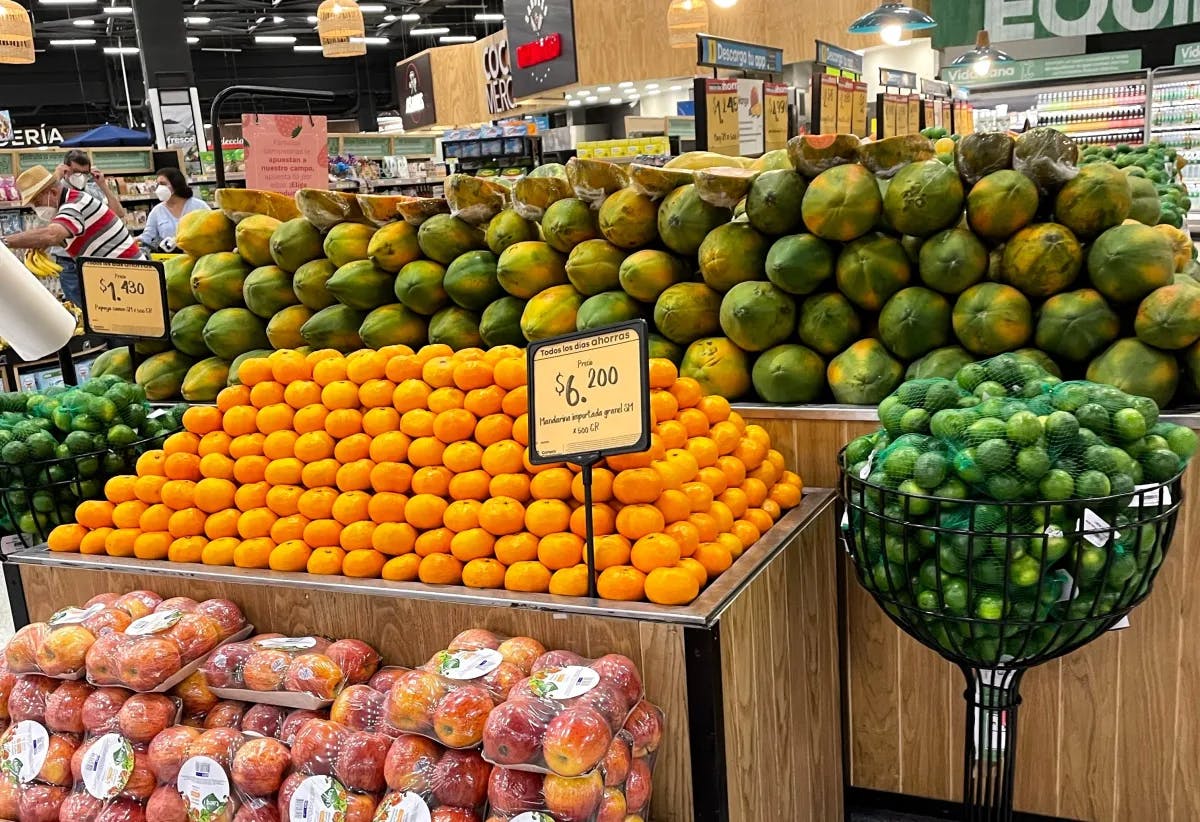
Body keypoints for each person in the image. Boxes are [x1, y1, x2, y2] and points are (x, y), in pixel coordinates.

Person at [2, 165, 144, 276]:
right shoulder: (70, 203)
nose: (36, 208)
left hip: (130, 273)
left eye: (36, 202)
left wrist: (5, 242)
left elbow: (52, 234)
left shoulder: (75, 204)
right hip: (117, 273)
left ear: (53, 193)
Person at [47, 150, 128, 305]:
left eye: (85, 173)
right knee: (80, 306)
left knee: (99, 304)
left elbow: (118, 213)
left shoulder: (90, 193)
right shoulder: (56, 192)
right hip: (68, 260)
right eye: (76, 172)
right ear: (66, 169)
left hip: (92, 258)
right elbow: (47, 210)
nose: (81, 177)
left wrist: (103, 185)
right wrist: (56, 177)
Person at [139, 167, 209, 252]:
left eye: (163, 184)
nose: (159, 188)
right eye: (158, 184)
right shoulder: (157, 211)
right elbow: (147, 237)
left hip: (198, 255)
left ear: (176, 184)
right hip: (169, 258)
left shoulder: (199, 206)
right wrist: (138, 241)